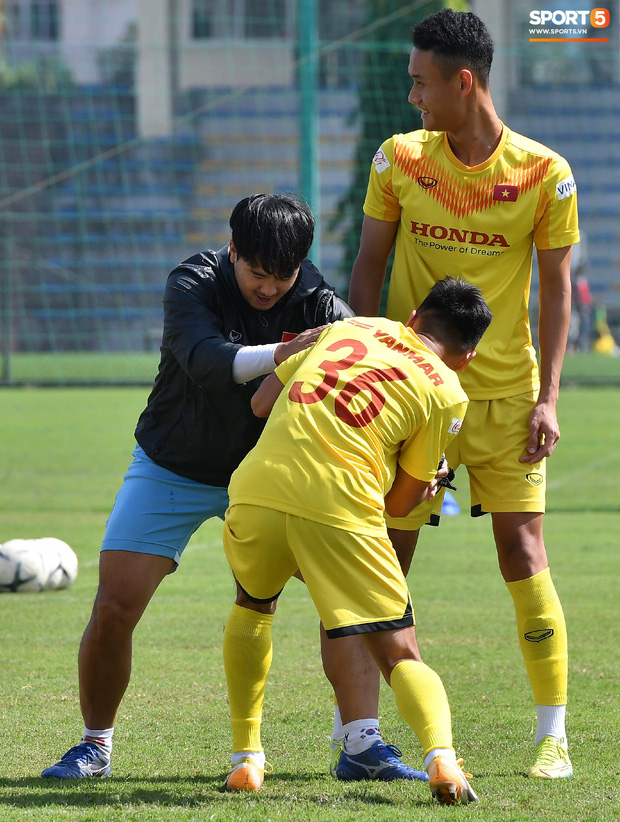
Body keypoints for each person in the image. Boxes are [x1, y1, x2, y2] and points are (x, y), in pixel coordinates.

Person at [41, 193, 360, 779]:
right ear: (233, 249)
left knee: (347, 601)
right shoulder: (193, 280)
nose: (269, 289)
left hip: (271, 476)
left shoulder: (317, 299)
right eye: (256, 273)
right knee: (114, 606)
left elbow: (365, 375)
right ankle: (95, 746)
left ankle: (360, 744)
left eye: (281, 276)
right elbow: (204, 359)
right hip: (175, 463)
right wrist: (285, 353)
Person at [347, 9, 579, 780]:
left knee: (522, 550)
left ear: (463, 81)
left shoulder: (545, 173)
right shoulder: (398, 159)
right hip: (414, 399)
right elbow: (367, 270)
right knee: (389, 557)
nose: (412, 96)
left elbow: (557, 296)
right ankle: (367, 739)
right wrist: (370, 372)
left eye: (421, 81)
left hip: (507, 400)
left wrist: (547, 399)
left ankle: (554, 736)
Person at [221, 276, 492, 805]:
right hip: (340, 504)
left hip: (256, 488)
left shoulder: (353, 326)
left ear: (414, 316)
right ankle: (442, 759)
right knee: (400, 652)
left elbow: (260, 404)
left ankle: (246, 759)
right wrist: (431, 482)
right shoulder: (447, 389)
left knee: (253, 606)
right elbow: (397, 506)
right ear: (468, 357)